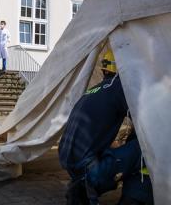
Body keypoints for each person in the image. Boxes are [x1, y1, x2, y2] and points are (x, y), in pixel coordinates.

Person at [58, 49, 153, 205]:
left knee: (124, 151)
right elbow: (142, 119)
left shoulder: (94, 90)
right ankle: (90, 185)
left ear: (104, 69)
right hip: (85, 164)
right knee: (143, 148)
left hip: (69, 161)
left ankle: (85, 182)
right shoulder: (119, 87)